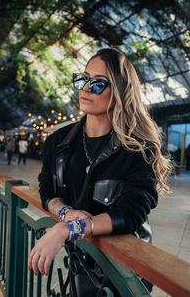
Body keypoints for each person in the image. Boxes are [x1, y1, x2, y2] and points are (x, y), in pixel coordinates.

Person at [28, 48, 171, 295]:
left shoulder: (139, 148)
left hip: (126, 273)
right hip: (82, 267)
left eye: (97, 84)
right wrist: (67, 213)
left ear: (120, 91)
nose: (85, 88)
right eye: (83, 79)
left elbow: (131, 214)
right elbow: (46, 191)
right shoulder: (58, 142)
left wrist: (67, 229)